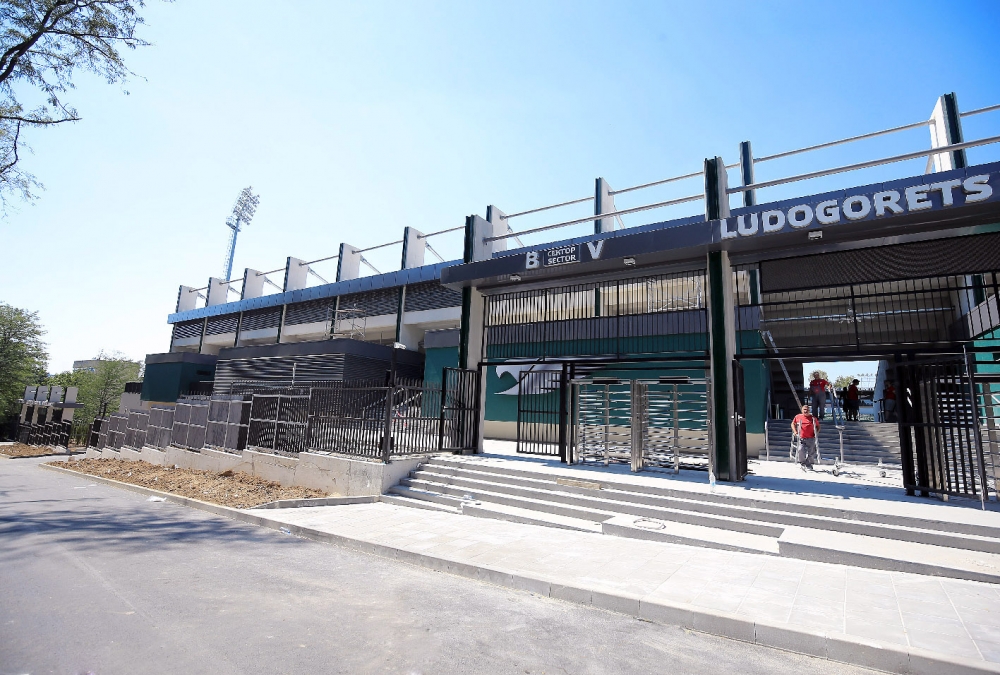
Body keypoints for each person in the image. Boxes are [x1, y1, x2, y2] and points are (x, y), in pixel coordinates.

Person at [791, 404, 819, 470]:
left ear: (809, 410)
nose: (806, 411)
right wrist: (795, 432)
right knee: (800, 450)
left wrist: (816, 433)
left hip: (811, 438)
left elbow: (818, 426)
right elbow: (793, 424)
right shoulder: (798, 417)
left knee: (811, 452)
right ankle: (803, 463)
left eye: (807, 410)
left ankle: (809, 464)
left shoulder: (813, 418)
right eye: (804, 409)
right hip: (801, 438)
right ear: (802, 410)